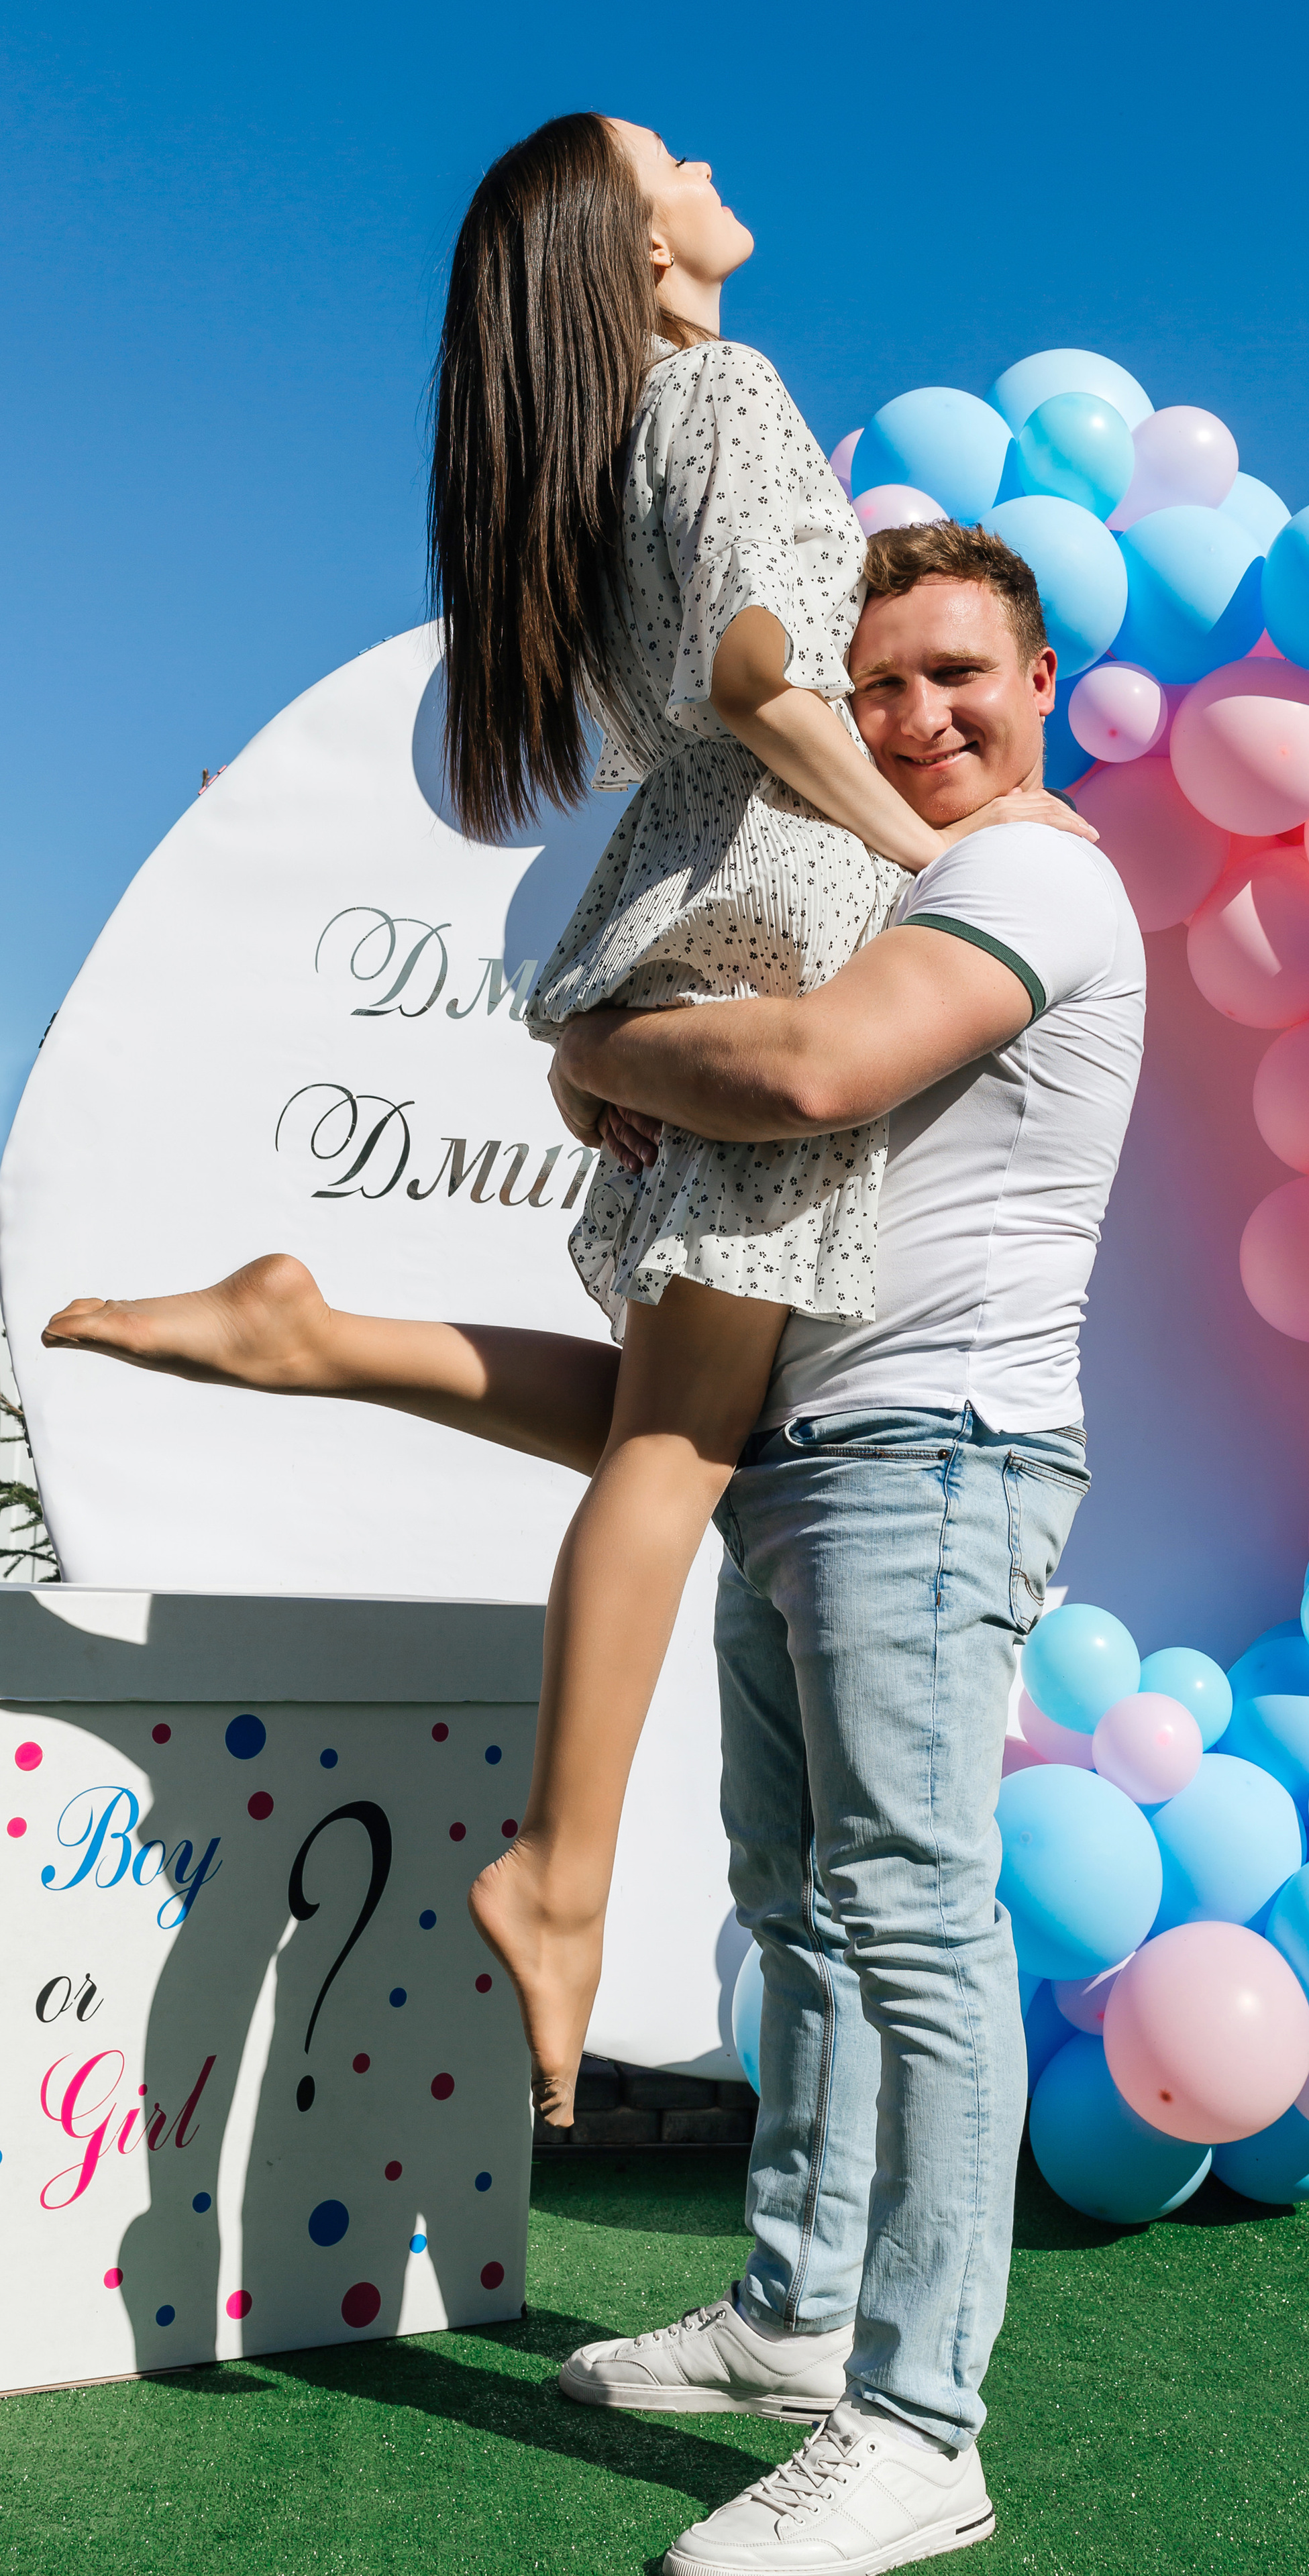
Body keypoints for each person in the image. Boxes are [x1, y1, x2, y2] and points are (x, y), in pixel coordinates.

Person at [46, 521, 1147, 2573]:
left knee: (910, 1915)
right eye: (878, 681)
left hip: (937, 1459)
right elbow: (678, 1380)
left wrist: (588, 1047)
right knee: (801, 1910)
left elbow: (811, 1065)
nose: (914, 717)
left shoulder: (1029, 873)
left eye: (955, 676)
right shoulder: (887, 883)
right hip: (801, 1453)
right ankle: (802, 2320)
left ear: (1042, 687)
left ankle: (924, 2423)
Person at [45, 110, 1092, 2131]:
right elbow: (759, 667)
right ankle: (561, 1867)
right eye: (669, 156)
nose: (710, 165)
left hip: (697, 911)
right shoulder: (718, 387)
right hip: (770, 913)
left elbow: (694, 682)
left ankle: (313, 1334)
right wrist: (927, 855)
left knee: (683, 1407)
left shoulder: (608, 449)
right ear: (637, 248)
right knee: (694, 1437)